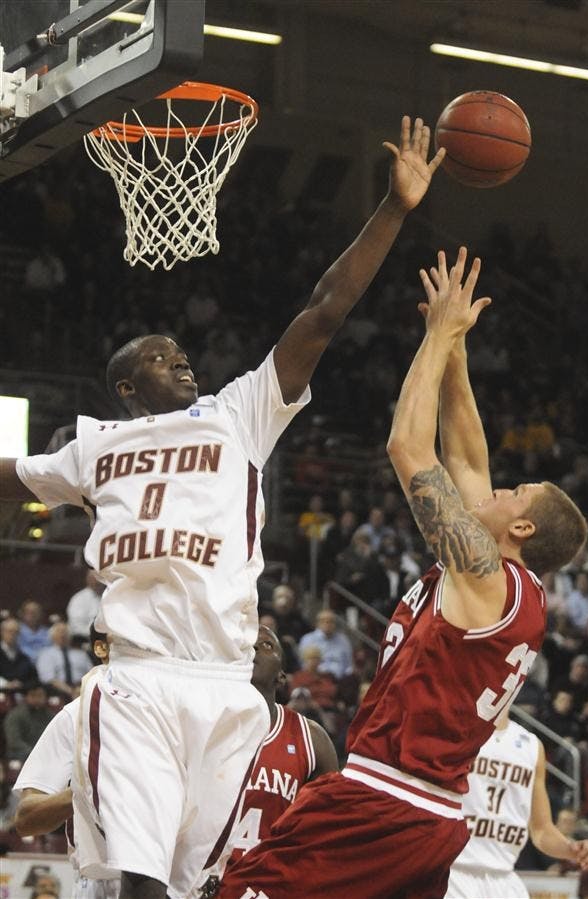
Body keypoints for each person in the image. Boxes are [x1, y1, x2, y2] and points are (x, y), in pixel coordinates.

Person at [0, 114, 445, 899]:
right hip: (136, 676)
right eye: (157, 356)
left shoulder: (237, 412)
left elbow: (322, 311)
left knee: (201, 884)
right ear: (126, 388)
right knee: (137, 878)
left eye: (181, 351)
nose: (180, 358)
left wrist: (393, 209)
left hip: (227, 682)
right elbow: (10, 476)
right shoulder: (92, 444)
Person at [217, 247, 588, 899]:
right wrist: (455, 350)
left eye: (517, 491)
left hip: (385, 797)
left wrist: (437, 335)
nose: (500, 488)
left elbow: (408, 447)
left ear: (522, 529)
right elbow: (465, 454)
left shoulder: (481, 570)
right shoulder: (508, 585)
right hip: (434, 813)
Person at [197, 625, 338, 897]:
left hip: (272, 886)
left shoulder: (310, 739)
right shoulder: (201, 727)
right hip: (201, 883)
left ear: (282, 676)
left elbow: (329, 831)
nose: (254, 650)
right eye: (246, 645)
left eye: (267, 646)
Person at [13, 628, 121, 899]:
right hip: (100, 881)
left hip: (168, 879)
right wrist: (86, 791)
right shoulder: (74, 717)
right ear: (101, 648)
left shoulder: (173, 713)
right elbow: (26, 818)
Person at [445, 709, 588, 898]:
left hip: (505, 878)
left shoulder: (532, 746)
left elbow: (542, 831)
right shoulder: (454, 732)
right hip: (454, 873)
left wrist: (572, 850)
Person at [36, 621, 93, 699]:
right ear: (52, 636)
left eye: (65, 632)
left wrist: (80, 689)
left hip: (81, 690)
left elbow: (91, 674)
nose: (62, 635)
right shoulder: (46, 654)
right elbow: (49, 679)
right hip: (57, 692)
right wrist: (70, 691)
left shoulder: (81, 654)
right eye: (59, 632)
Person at [3, 680, 54, 762]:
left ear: (45, 697)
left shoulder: (51, 716)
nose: (37, 699)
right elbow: (14, 742)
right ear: (26, 697)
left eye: (40, 695)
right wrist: (35, 753)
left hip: (45, 755)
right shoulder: (15, 715)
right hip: (22, 756)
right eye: (33, 695)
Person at [298, 610, 354, 679]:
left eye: (331, 621)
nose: (328, 624)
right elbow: (303, 664)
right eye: (324, 621)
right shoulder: (308, 639)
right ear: (317, 623)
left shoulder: (343, 640)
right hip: (316, 679)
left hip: (340, 680)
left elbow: (349, 665)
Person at [0, 616, 37, 689]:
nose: (13, 635)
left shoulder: (23, 657)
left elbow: (34, 679)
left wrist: (22, 685)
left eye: (16, 632)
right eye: (10, 631)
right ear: (2, 632)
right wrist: (6, 684)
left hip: (20, 693)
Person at [67, 570, 104, 642]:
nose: (97, 582)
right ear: (88, 580)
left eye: (99, 579)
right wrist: (96, 634)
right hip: (85, 640)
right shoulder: (79, 599)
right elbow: (76, 626)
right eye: (93, 578)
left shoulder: (110, 596)